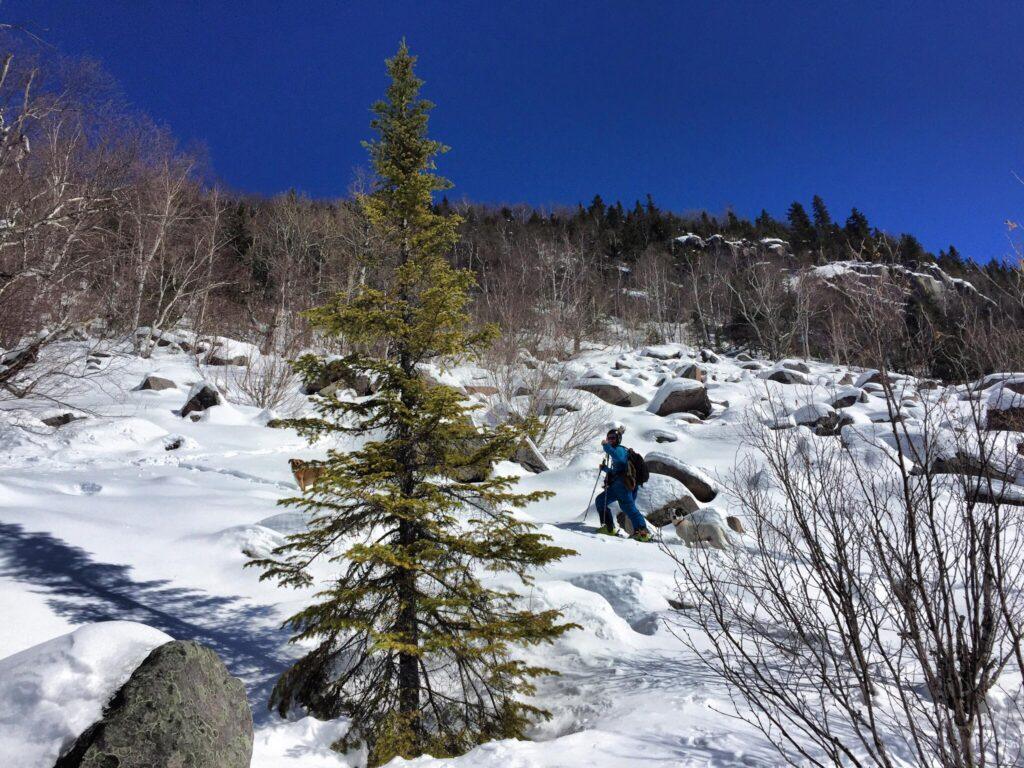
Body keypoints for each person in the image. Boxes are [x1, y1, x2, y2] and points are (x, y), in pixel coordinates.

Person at [595, 428, 650, 541]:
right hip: (617, 486)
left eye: (612, 438)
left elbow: (619, 458)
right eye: (608, 438)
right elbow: (618, 471)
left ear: (618, 439)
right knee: (601, 501)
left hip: (623, 487)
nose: (610, 440)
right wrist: (606, 469)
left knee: (629, 508)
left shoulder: (619, 449)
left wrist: (606, 446)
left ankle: (642, 533)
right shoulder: (616, 449)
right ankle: (609, 528)